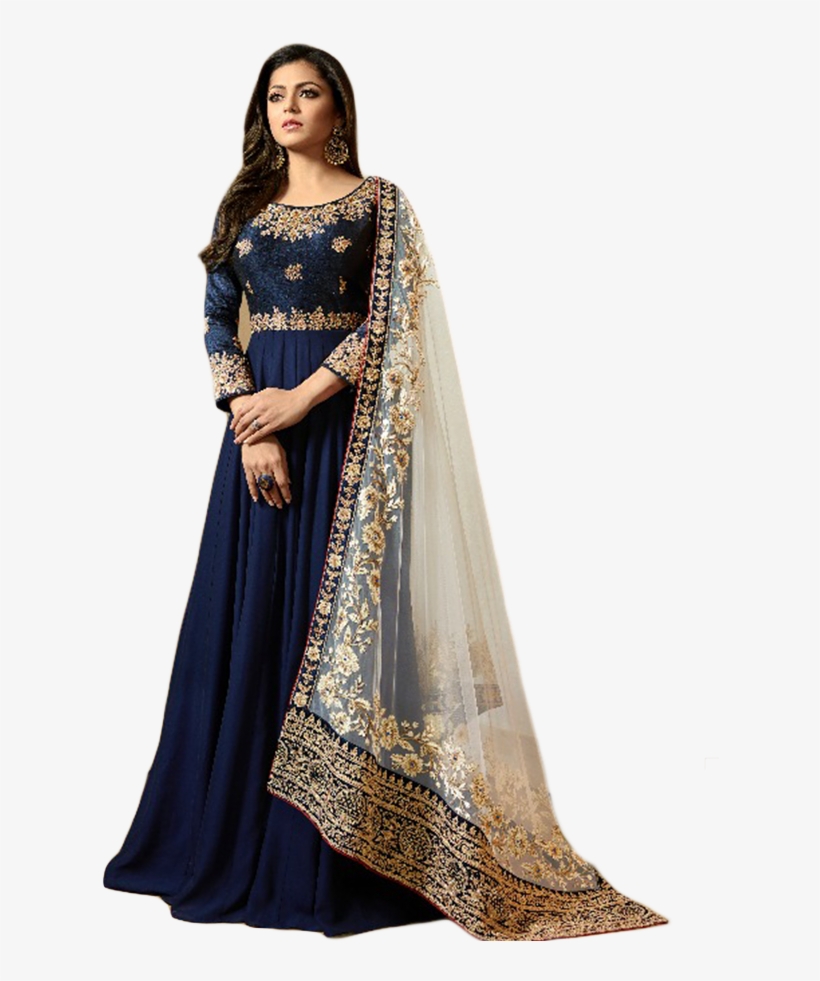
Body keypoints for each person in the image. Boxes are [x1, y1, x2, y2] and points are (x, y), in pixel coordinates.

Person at [103, 43, 668, 942]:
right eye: (276, 95)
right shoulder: (243, 206)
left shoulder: (379, 203)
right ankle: (229, 835)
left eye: (308, 93)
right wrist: (252, 417)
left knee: (344, 625)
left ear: (339, 109)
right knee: (249, 617)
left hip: (348, 440)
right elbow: (215, 317)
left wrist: (301, 398)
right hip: (256, 443)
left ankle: (339, 856)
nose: (290, 107)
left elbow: (394, 319)